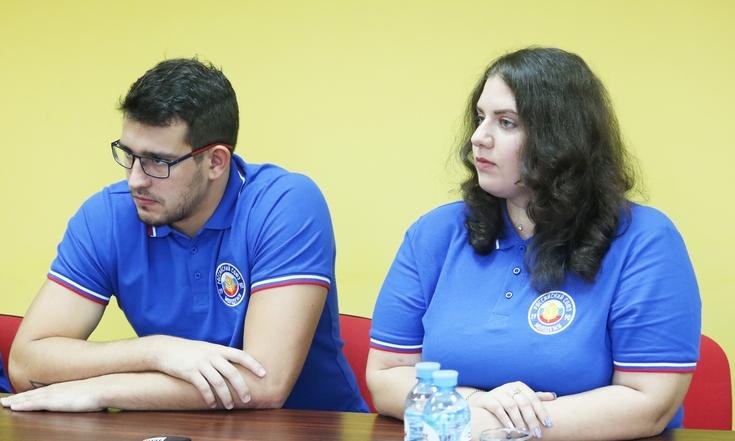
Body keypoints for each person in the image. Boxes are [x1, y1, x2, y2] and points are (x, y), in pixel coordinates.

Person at [366, 47, 700, 440]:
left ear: (561, 138)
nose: (478, 138)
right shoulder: (436, 232)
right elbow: (386, 376)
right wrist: (471, 404)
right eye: (480, 117)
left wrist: (497, 428)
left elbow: (648, 403)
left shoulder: (644, 240)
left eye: (506, 122)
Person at [2, 58, 367, 413]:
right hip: (174, 428)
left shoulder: (284, 204)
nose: (135, 179)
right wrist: (155, 351)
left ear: (215, 162)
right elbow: (25, 363)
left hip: (306, 428)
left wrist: (101, 390)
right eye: (128, 155)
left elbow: (263, 384)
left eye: (158, 162)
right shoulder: (108, 216)